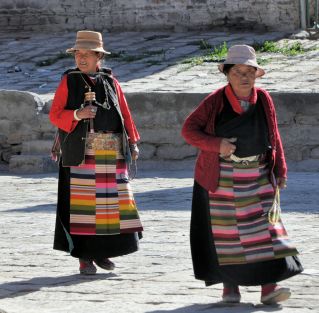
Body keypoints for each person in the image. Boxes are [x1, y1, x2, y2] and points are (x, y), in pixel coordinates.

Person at [181, 45, 303, 305]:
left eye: (250, 71)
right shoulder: (215, 101)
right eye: (238, 71)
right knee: (228, 237)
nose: (244, 77)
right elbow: (189, 130)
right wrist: (217, 145)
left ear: (257, 75)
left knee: (266, 232)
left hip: (258, 174)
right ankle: (230, 289)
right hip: (222, 178)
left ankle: (269, 288)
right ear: (227, 73)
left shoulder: (264, 99)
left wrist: (280, 169)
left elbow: (273, 136)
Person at [49, 30, 143, 275]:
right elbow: (55, 114)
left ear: (98, 56)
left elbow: (124, 113)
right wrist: (77, 115)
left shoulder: (111, 81)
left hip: (111, 155)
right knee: (83, 210)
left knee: (110, 208)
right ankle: (84, 257)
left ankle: (103, 253)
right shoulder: (68, 81)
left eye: (88, 54)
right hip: (81, 154)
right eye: (78, 53)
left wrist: (132, 142)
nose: (81, 58)